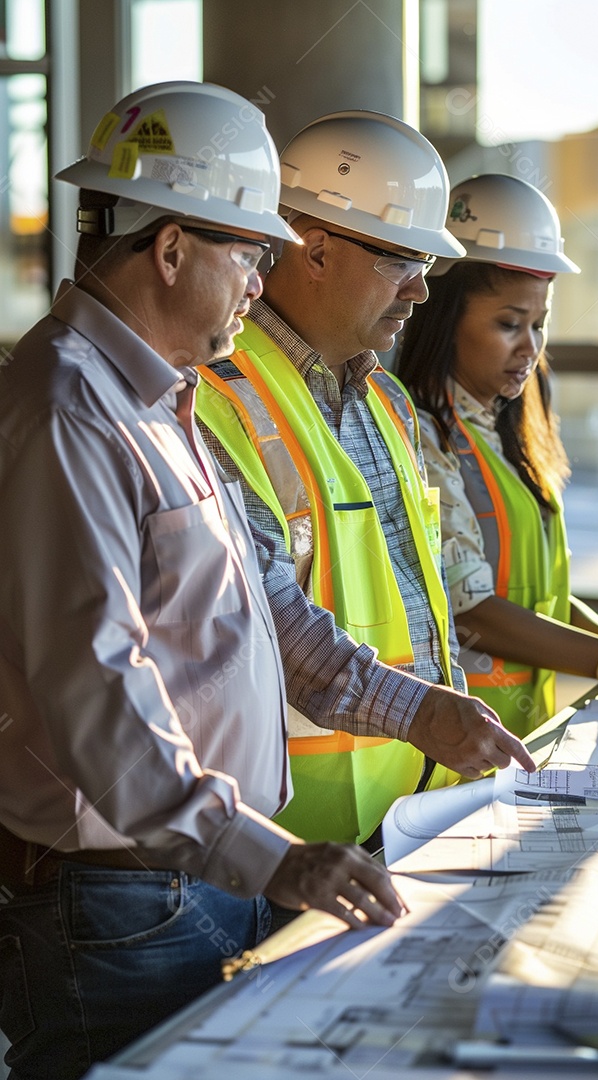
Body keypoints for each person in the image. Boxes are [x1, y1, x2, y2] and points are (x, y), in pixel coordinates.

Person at [0, 85, 534, 1080]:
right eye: (250, 252)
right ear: (171, 249)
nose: (262, 278)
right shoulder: (72, 409)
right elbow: (96, 690)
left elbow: (267, 613)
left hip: (193, 877)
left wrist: (419, 711)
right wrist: (269, 855)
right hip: (123, 901)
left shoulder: (156, 399)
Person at [195, 110, 499, 848]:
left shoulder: (387, 403)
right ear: (319, 249)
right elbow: (267, 618)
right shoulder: (211, 397)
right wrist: (422, 715)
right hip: (289, 839)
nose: (421, 292)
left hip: (416, 810)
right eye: (401, 262)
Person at [396, 173, 598, 737]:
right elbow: (469, 605)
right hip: (455, 741)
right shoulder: (417, 434)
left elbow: (541, 592)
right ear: (444, 318)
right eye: (509, 324)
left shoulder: (503, 428)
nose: (530, 347)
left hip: (517, 727)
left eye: (539, 325)